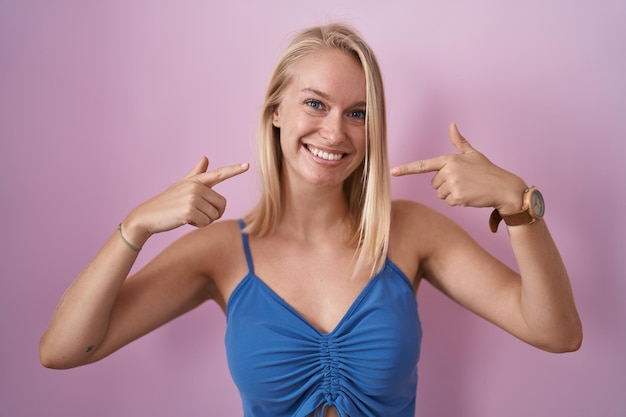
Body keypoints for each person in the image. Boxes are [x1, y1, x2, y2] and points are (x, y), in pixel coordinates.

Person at [39, 23, 582, 417]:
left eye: (358, 113)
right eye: (315, 104)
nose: (335, 132)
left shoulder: (413, 232)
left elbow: (556, 333)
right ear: (277, 111)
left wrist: (518, 205)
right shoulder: (220, 252)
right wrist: (133, 228)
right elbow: (64, 350)